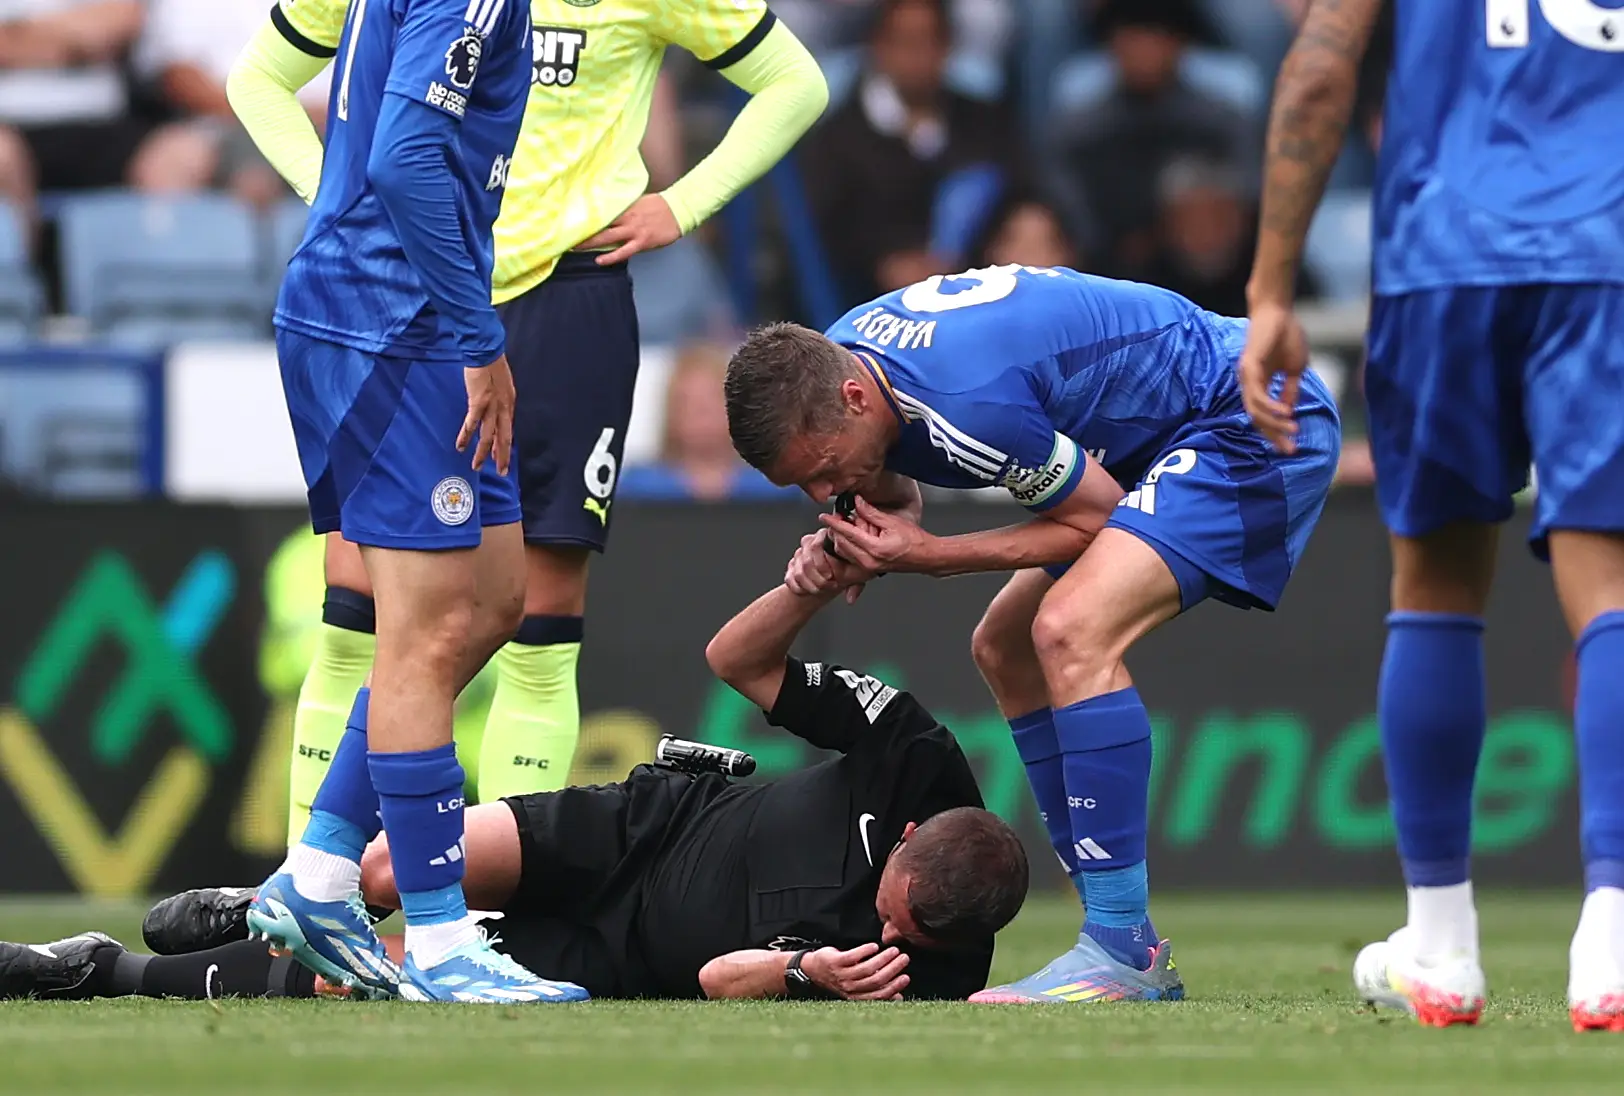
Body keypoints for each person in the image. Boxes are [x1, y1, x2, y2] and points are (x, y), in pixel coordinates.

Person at [227, 0, 827, 843]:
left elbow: (795, 83)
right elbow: (257, 78)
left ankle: (504, 906)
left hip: (566, 299)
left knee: (538, 627)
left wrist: (684, 205)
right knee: (358, 610)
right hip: (416, 293)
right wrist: (335, 191)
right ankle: (313, 895)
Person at [723, 263, 1341, 1003]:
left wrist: (933, 557)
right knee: (1003, 646)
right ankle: (1118, 929)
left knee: (1070, 630)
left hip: (1251, 417)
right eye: (805, 488)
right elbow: (897, 470)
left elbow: (1091, 520)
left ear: (853, 398)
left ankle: (1118, 947)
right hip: (1164, 439)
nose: (824, 494)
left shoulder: (967, 403)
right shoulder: (851, 361)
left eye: (824, 471)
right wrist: (875, 521)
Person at [0, 575, 1029, 1002]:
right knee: (389, 868)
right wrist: (804, 587)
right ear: (903, 837)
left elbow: (720, 980)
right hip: (641, 827)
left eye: (907, 939)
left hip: (611, 954)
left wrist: (808, 976)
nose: (890, 937)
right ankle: (264, 898)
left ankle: (93, 970)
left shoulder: (929, 971)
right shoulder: (913, 750)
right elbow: (737, 658)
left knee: (363, 981)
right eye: (891, 910)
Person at [1237, 0, 1624, 1033]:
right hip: (1607, 251)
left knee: (1437, 580)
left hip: (1441, 256)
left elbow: (1319, 66)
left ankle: (1441, 944)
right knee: (1613, 588)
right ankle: (1615, 930)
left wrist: (1273, 288)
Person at [246, 0, 576, 1006]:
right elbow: (402, 154)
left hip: (398, 315)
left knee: (492, 603)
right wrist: (480, 337)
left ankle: (319, 872)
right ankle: (439, 941)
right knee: (427, 633)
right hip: (396, 324)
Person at [801, 0, 1018, 299]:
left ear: (948, 48)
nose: (918, 55)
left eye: (930, 41)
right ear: (878, 47)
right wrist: (883, 261)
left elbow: (1019, 187)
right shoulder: (838, 138)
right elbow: (824, 228)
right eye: (905, 42)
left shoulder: (984, 120)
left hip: (979, 290)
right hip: (871, 302)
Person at [616, 342, 803, 502]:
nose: (701, 412)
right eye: (689, 402)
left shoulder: (775, 490)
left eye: (711, 400)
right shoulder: (638, 490)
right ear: (671, 411)